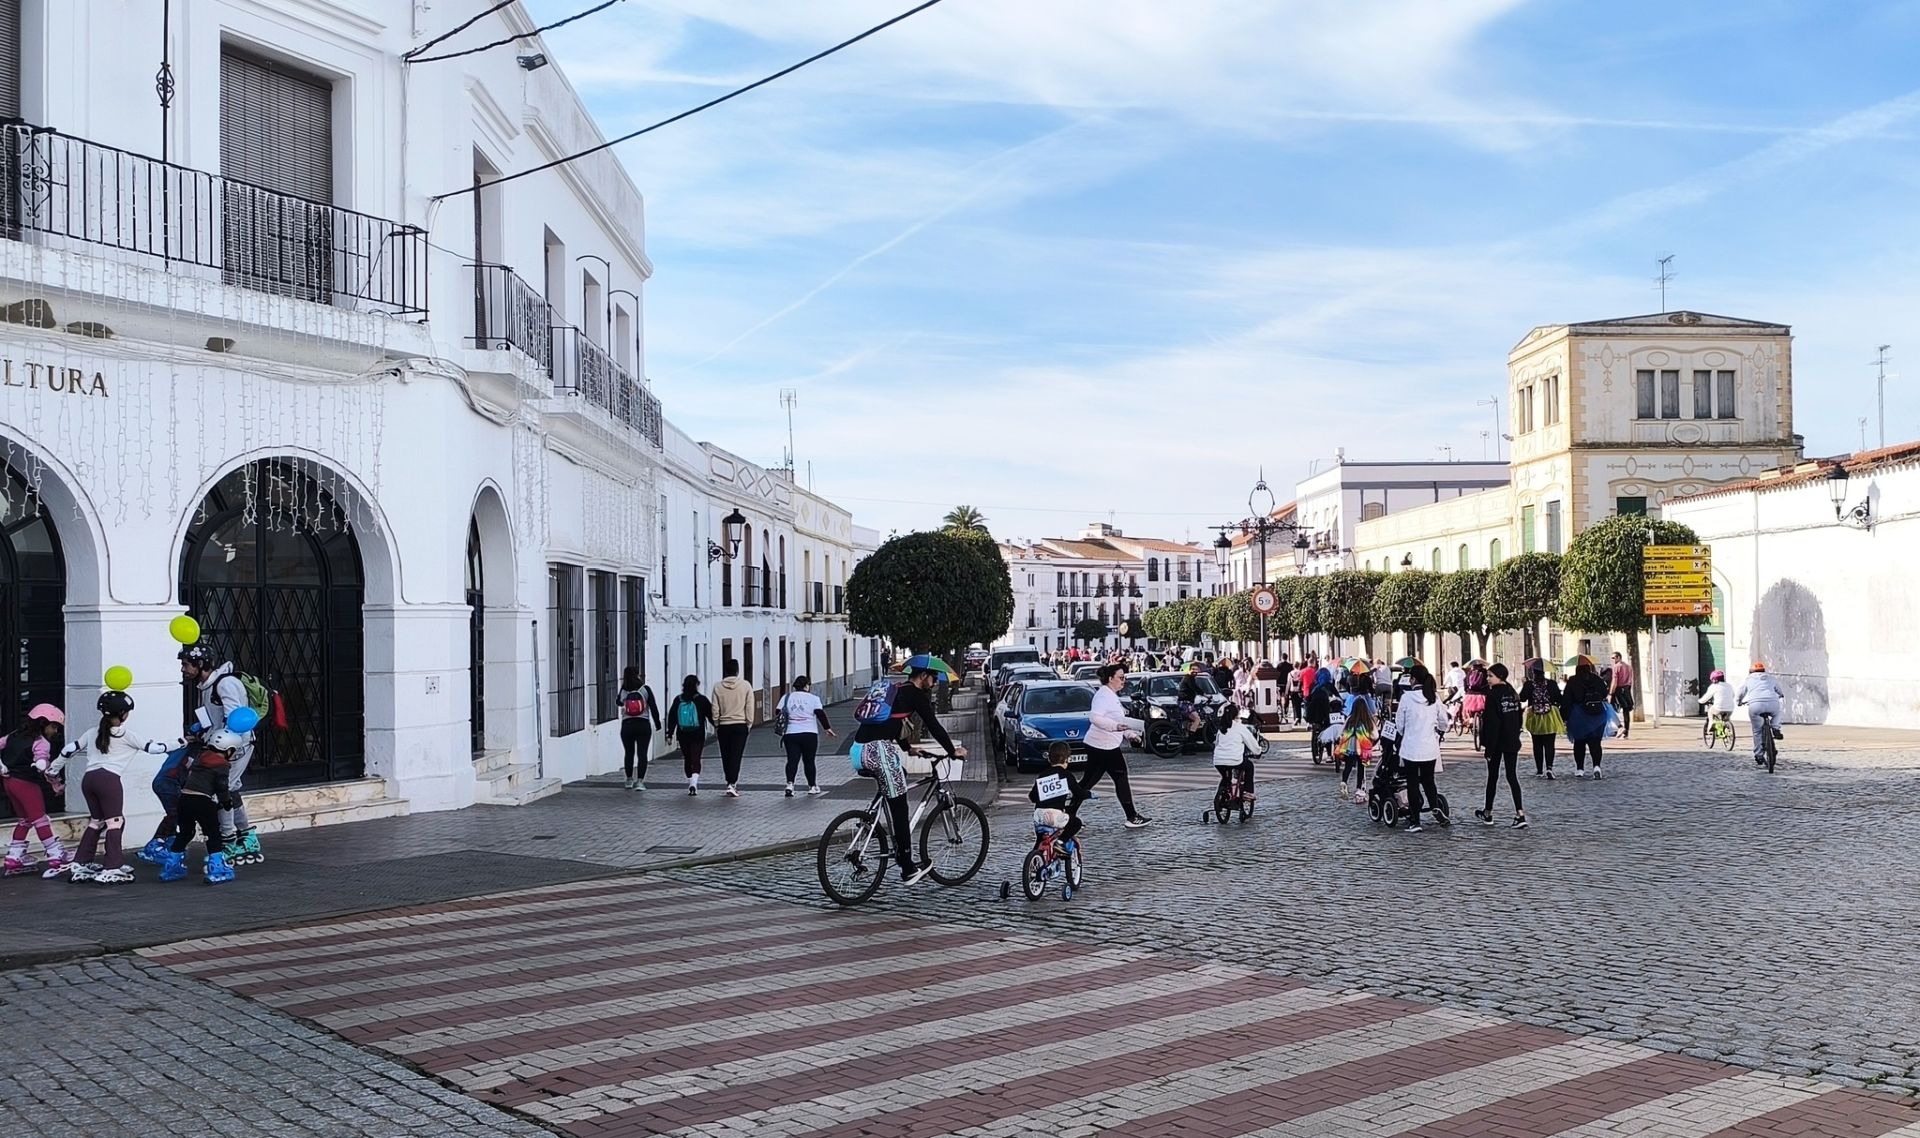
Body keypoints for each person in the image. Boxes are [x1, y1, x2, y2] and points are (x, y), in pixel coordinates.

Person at [852, 663, 965, 883]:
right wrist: (953, 751)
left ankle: (873, 816)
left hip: (858, 750)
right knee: (901, 805)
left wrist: (907, 749)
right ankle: (907, 867)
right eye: (933, 678)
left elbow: (891, 723)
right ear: (923, 676)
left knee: (899, 775)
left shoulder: (897, 690)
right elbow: (934, 725)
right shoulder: (916, 695)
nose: (933, 683)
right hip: (877, 751)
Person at [60, 691, 170, 884]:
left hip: (89, 779)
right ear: (122, 713)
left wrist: (52, 771)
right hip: (108, 781)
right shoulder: (127, 735)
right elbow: (155, 749)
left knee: (97, 821)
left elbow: (68, 750)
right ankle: (113, 866)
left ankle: (81, 862)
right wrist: (180, 742)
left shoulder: (92, 731)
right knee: (115, 822)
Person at [178, 645, 261, 866]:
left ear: (201, 664)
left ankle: (228, 839)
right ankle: (246, 835)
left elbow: (233, 719)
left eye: (186, 665)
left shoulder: (225, 684)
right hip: (221, 745)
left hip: (234, 746)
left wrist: (220, 744)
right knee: (231, 789)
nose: (183, 669)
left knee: (221, 790)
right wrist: (202, 732)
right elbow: (214, 719)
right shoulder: (208, 686)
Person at [161, 728, 242, 884]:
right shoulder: (222, 765)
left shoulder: (201, 757)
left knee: (185, 833)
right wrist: (226, 802)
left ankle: (171, 866)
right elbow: (221, 786)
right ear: (228, 750)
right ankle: (217, 868)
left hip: (184, 799)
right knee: (213, 834)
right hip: (203, 801)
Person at [2, 704, 70, 878]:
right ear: (43, 723)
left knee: (24, 820)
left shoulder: (13, 736)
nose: (55, 731)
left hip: (9, 783)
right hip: (26, 783)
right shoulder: (41, 742)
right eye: (54, 726)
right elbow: (42, 761)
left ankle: (14, 856)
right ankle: (55, 854)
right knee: (40, 819)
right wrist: (45, 768)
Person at [1084, 663, 1150, 828]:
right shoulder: (1103, 696)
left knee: (1087, 782)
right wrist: (1115, 727)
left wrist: (1130, 734)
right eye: (1121, 678)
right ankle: (1132, 816)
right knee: (1120, 777)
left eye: (1124, 677)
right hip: (1104, 745)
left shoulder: (1110, 695)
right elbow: (1095, 718)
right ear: (1110, 678)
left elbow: (1118, 721)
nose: (1124, 681)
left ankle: (1066, 814)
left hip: (1100, 743)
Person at [1392, 665, 1450, 832]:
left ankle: (1415, 821)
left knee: (1412, 783)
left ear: (1413, 679)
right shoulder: (1434, 697)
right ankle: (1434, 806)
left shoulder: (1407, 698)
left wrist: (1406, 732)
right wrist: (1437, 730)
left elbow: (1400, 725)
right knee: (1428, 780)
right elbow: (1444, 722)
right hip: (1429, 747)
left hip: (1411, 747)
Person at [1475, 663, 1528, 828]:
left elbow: (1492, 724)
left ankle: (1488, 812)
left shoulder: (1494, 695)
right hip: (1512, 740)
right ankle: (1520, 814)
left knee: (1493, 777)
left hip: (1497, 742)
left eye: (1491, 676)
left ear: (1500, 676)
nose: (1488, 679)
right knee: (1512, 776)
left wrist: (1489, 748)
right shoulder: (1512, 693)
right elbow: (1518, 718)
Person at [777, 674, 834, 797]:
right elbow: (820, 714)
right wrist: (827, 728)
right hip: (809, 733)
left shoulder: (786, 697)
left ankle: (790, 785)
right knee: (809, 761)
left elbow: (778, 712)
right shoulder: (813, 698)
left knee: (792, 760)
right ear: (806, 686)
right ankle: (812, 786)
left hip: (790, 733)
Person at [1030, 741, 1090, 846]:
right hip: (1054, 816)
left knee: (1040, 841)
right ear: (1067, 759)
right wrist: (1088, 794)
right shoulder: (1066, 775)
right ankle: (1060, 842)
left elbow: (1032, 797)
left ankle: (1035, 857)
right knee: (1076, 823)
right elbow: (1078, 792)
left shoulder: (1043, 775)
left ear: (1049, 758)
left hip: (1038, 815)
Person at [710, 659, 755, 798]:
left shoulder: (717, 687)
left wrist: (716, 723)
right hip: (740, 725)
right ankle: (732, 783)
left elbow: (715, 708)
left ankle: (728, 780)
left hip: (723, 726)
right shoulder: (746, 686)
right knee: (736, 755)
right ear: (737, 670)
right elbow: (749, 706)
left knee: (725, 754)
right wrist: (749, 722)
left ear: (725, 671)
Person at [1560, 656, 1609, 778]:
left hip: (1579, 715)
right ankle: (1597, 767)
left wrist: (1564, 716)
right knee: (1596, 742)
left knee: (1579, 742)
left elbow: (1567, 699)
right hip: (1598, 715)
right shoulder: (1597, 679)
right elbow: (1604, 693)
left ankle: (1580, 769)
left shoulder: (1573, 681)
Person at [667, 676, 715, 795]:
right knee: (696, 758)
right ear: (696, 685)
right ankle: (693, 783)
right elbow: (711, 716)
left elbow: (672, 717)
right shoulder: (702, 700)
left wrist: (670, 733)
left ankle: (690, 780)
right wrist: (717, 726)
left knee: (687, 758)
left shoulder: (678, 700)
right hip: (698, 734)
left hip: (683, 734)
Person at [616, 666, 661, 791]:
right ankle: (640, 781)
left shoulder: (624, 690)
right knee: (642, 754)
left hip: (627, 725)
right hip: (643, 724)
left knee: (629, 753)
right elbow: (653, 707)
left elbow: (618, 702)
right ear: (638, 675)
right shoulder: (645, 689)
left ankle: (629, 779)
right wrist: (658, 724)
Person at [1211, 702, 1263, 805]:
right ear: (1236, 715)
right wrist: (1258, 751)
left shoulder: (1221, 729)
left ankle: (1220, 797)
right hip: (1235, 760)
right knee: (1249, 766)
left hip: (1218, 761)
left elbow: (1216, 743)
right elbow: (1251, 742)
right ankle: (1248, 792)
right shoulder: (1240, 727)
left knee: (1226, 778)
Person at [1520, 661, 1564, 779]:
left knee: (1537, 743)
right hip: (1550, 715)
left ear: (1533, 673)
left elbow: (1522, 698)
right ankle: (1549, 767)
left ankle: (1539, 770)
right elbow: (1559, 699)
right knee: (1550, 744)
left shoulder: (1529, 684)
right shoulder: (1552, 684)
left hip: (1534, 715)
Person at [1737, 662, 1785, 767]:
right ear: (1763, 671)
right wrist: (1780, 695)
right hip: (1772, 702)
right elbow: (1779, 691)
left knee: (1757, 731)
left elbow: (1741, 692)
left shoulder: (1748, 679)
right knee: (1777, 713)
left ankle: (1759, 754)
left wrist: (1739, 702)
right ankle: (1775, 728)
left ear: (1751, 672)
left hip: (1756, 705)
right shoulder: (1771, 678)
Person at [1333, 697, 1375, 804]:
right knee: (1361, 768)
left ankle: (1344, 782)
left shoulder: (1350, 718)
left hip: (1350, 746)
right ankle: (1358, 789)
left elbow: (1343, 732)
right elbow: (1374, 734)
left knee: (1348, 766)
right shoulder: (1367, 719)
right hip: (1362, 746)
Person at [1608, 651, 1636, 739]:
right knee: (1626, 710)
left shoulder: (1616, 667)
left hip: (1619, 689)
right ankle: (1626, 730)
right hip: (1627, 689)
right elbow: (1631, 679)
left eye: (1614, 658)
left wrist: (1610, 693)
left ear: (1619, 657)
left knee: (1611, 707)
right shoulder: (1628, 667)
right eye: (1612, 658)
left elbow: (1614, 681)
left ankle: (1620, 727)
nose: (1612, 660)